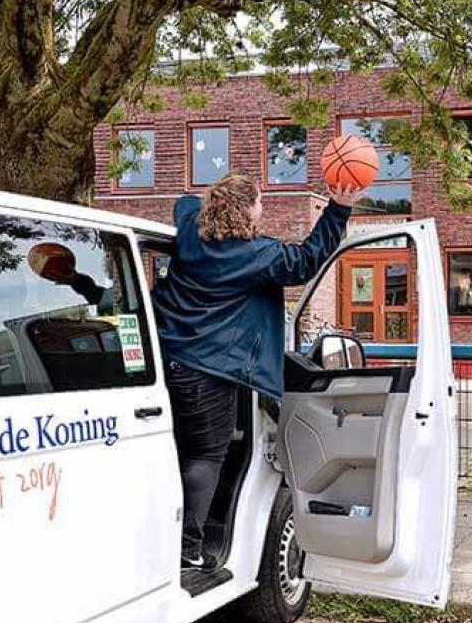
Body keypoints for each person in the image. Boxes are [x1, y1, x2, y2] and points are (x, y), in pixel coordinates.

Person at [151, 173, 362, 570]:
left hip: (170, 365)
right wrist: (339, 208)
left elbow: (184, 202)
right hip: (208, 373)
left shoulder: (190, 237)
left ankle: (163, 534)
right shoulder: (255, 255)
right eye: (259, 202)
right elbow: (306, 259)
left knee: (176, 451)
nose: (262, 209)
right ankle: (187, 549)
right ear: (246, 209)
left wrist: (206, 201)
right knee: (206, 457)